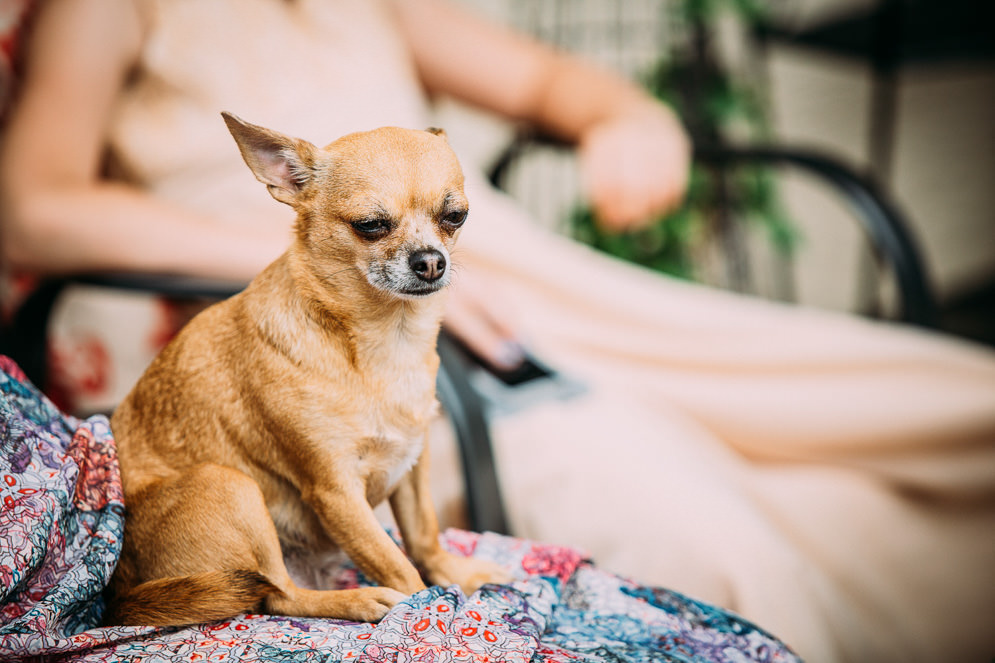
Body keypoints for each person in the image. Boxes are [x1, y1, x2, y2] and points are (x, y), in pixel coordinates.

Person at [1, 1, 993, 661]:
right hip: (340, 336)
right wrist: (298, 259)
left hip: (513, 283)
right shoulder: (109, 6)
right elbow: (30, 207)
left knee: (919, 411)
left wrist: (623, 120)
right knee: (722, 528)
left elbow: (545, 85)